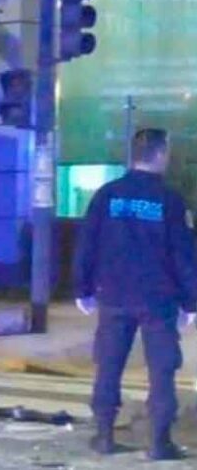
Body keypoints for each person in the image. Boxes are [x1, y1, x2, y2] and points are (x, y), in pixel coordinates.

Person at [74, 128, 197, 461]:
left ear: (133, 154)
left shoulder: (106, 195)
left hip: (112, 295)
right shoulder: (170, 201)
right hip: (157, 299)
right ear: (160, 154)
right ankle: (158, 444)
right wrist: (191, 301)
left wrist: (82, 289)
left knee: (108, 366)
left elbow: (87, 244)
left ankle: (104, 437)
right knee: (162, 370)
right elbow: (183, 255)